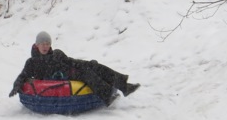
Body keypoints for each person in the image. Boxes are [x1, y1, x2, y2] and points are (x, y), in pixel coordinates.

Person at [9, 31, 139, 106]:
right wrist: (16, 86)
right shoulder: (32, 62)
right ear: (37, 45)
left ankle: (124, 86)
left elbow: (71, 61)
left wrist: (89, 63)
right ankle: (107, 95)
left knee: (95, 67)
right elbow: (23, 75)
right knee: (88, 74)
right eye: (42, 44)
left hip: (72, 71)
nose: (45, 46)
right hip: (61, 79)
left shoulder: (57, 53)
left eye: (47, 43)